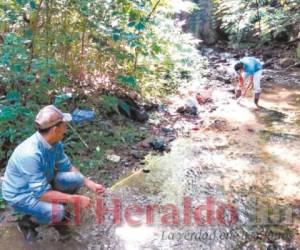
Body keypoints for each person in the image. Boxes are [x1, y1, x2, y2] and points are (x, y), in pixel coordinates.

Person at [1, 105, 105, 241]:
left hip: (42, 184)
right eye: (65, 125)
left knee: (77, 178)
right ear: (56, 129)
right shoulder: (30, 154)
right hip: (21, 194)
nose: (66, 129)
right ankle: (29, 222)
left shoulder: (55, 143)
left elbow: (67, 166)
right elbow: (41, 194)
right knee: (58, 212)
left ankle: (55, 210)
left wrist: (90, 183)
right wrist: (76, 199)